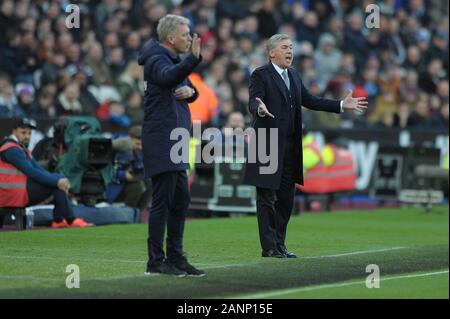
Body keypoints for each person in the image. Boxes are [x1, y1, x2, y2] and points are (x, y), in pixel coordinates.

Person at [244, 34, 367, 258]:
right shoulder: (260, 74)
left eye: (291, 47)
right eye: (284, 47)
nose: (290, 51)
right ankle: (269, 247)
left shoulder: (293, 74)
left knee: (286, 199)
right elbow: (254, 99)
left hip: (290, 146)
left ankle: (280, 244)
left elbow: (310, 100)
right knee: (266, 198)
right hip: (267, 143)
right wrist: (258, 107)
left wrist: (341, 104)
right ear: (271, 52)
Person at [137, 14, 205, 277]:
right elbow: (168, 78)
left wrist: (194, 93)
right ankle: (155, 261)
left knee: (180, 199)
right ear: (170, 37)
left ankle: (176, 257)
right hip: (161, 138)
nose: (189, 38)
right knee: (163, 200)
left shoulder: (172, 61)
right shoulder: (156, 60)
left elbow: (185, 86)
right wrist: (193, 60)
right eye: (185, 34)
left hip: (175, 139)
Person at [0, 118, 92, 228]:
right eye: (23, 132)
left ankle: (60, 220)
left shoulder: (20, 148)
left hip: (16, 192)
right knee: (56, 185)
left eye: (29, 133)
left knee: (57, 180)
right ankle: (68, 220)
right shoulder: (11, 149)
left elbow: (39, 169)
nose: (27, 136)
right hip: (10, 195)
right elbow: (32, 172)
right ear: (14, 131)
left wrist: (58, 179)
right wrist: (57, 181)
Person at [107, 125, 151, 211]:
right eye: (137, 144)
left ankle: (138, 215)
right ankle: (128, 214)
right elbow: (104, 171)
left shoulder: (139, 151)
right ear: (130, 138)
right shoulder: (115, 147)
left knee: (149, 184)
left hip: (125, 184)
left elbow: (141, 168)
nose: (140, 147)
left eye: (142, 144)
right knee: (136, 187)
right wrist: (124, 175)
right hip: (112, 186)